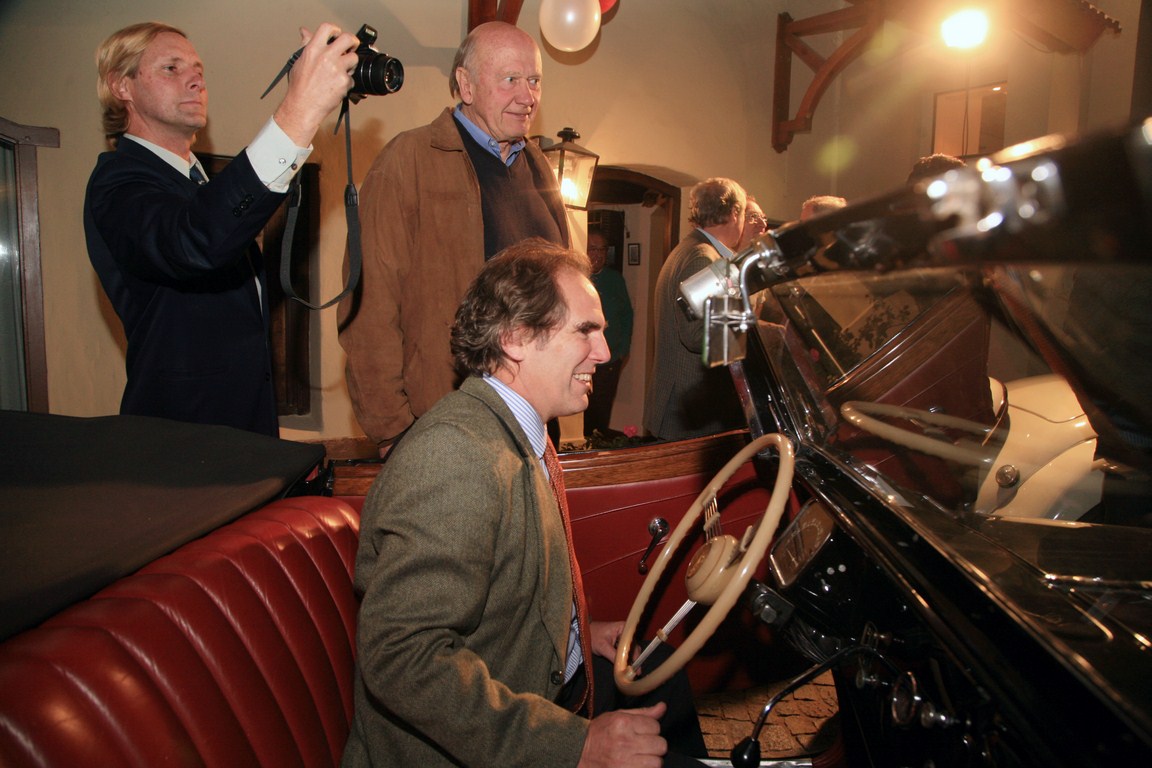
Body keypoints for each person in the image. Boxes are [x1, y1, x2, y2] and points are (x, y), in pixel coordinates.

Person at [344, 239, 707, 767]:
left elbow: (510, 591)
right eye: (586, 331)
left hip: (538, 676)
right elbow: (402, 659)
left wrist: (576, 635)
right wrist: (578, 745)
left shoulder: (513, 430)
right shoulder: (455, 454)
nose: (605, 353)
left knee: (662, 673)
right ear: (515, 337)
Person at [84, 21, 357, 436]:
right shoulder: (118, 182)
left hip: (242, 438)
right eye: (172, 68)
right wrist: (300, 110)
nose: (196, 80)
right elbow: (195, 240)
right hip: (182, 443)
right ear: (122, 86)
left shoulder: (195, 184)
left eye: (198, 70)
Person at [338, 21, 570, 453]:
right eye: (510, 79)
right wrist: (393, 433)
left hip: (536, 428)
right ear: (466, 84)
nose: (528, 96)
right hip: (446, 431)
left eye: (535, 80)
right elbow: (369, 307)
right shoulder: (408, 161)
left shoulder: (539, 167)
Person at [644, 178, 748, 442]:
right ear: (734, 212)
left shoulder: (691, 249)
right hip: (690, 410)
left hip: (683, 405)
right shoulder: (704, 258)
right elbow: (696, 333)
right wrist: (751, 331)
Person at [583, 228, 633, 437]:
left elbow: (627, 315)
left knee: (602, 411)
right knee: (583, 413)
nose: (598, 254)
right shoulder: (578, 279)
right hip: (583, 361)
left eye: (602, 249)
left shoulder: (615, 279)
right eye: (593, 249)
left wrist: (623, 351)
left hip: (611, 360)